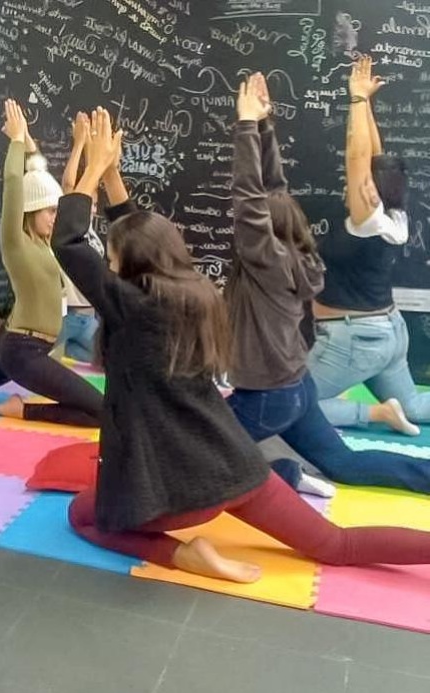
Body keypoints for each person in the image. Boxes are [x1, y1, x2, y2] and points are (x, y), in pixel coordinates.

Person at [57, 105, 430, 584]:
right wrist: (111, 177)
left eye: (109, 258)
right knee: (337, 544)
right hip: (236, 463)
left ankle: (184, 556)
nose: (105, 265)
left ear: (123, 267)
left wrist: (88, 172)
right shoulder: (191, 291)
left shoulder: (128, 307)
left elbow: (67, 242)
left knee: (81, 515)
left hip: (174, 485)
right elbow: (137, 235)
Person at [225, 73, 430, 495]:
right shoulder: (300, 255)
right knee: (345, 462)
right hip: (297, 385)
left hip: (266, 395)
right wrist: (265, 126)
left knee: (197, 452)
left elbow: (250, 197)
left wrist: (247, 126)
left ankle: (287, 476)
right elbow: (273, 189)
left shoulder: (268, 261)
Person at [0, 100, 103, 427]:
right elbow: (15, 186)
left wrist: (32, 143)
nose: (56, 219)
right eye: (50, 212)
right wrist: (16, 140)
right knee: (102, 411)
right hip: (23, 352)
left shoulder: (47, 240)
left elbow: (39, 176)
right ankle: (22, 410)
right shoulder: (16, 242)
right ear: (32, 212)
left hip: (16, 342)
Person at [308, 57, 424, 435]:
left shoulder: (367, 220)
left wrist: (357, 100)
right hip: (388, 332)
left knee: (288, 405)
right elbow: (373, 158)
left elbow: (359, 159)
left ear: (370, 189)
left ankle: (375, 414)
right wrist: (367, 106)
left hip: (357, 340)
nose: (351, 183)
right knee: (414, 405)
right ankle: (397, 409)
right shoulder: (396, 217)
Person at [55, 111, 105, 364]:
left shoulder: (93, 232)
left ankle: (66, 351)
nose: (91, 207)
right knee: (10, 361)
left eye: (94, 203)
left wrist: (94, 153)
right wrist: (80, 145)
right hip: (65, 316)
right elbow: (68, 187)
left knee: (104, 362)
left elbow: (91, 184)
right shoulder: (70, 231)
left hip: (89, 318)